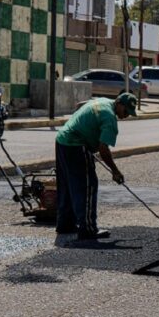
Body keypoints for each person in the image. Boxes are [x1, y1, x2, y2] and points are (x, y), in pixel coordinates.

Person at [54, 93, 137, 240]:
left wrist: (86, 126)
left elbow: (80, 104)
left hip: (62, 140)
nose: (126, 116)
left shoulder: (102, 101)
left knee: (67, 184)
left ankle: (64, 224)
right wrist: (115, 171)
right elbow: (104, 149)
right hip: (76, 145)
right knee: (87, 186)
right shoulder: (109, 118)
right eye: (126, 112)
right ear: (119, 103)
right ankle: (88, 228)